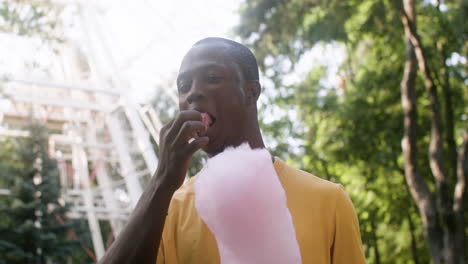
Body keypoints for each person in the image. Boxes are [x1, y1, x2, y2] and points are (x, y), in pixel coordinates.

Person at [99, 37, 367, 264]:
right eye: (184, 86)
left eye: (212, 78)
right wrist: (162, 180)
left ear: (251, 92)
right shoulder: (171, 210)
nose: (193, 93)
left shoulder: (328, 201)